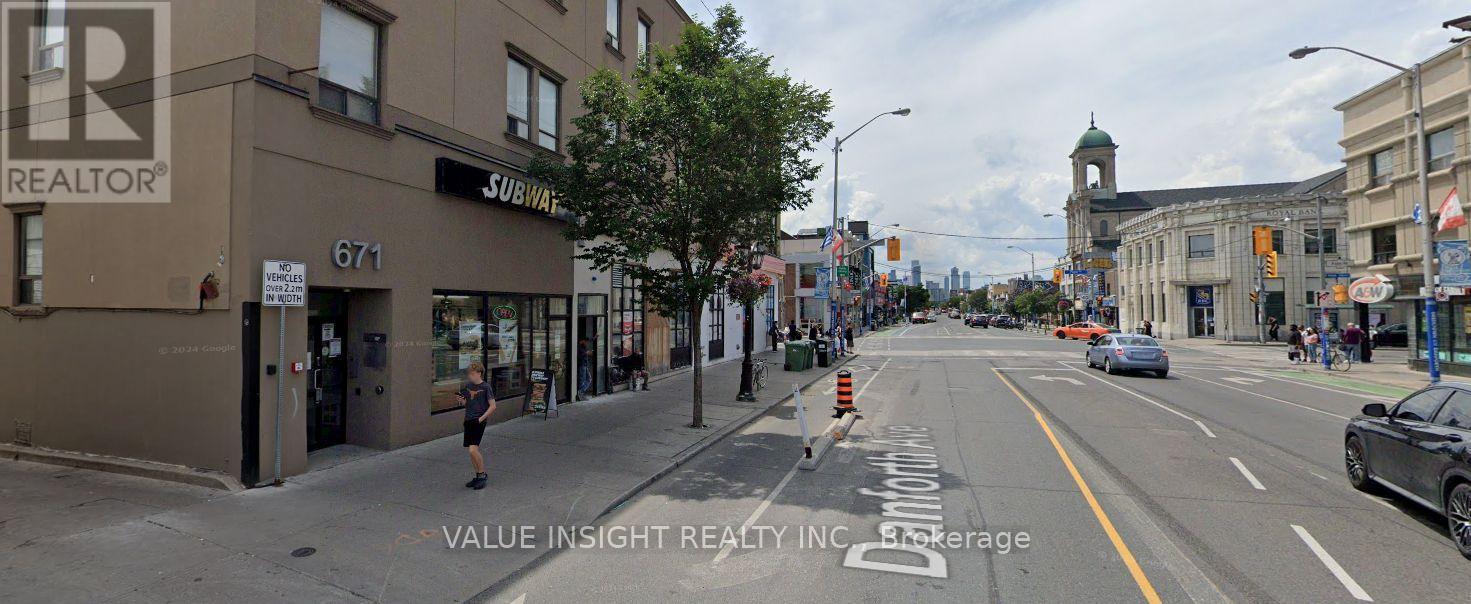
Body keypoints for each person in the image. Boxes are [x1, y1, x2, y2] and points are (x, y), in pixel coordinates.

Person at [456, 362, 496, 490]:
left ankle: (482, 475)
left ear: (479, 373)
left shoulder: (486, 387)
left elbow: (493, 406)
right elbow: (467, 403)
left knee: (473, 450)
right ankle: (478, 475)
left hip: (478, 421)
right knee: (471, 451)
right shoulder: (468, 386)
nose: (470, 376)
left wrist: (481, 419)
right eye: (469, 374)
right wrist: (461, 401)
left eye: (472, 374)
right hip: (468, 419)